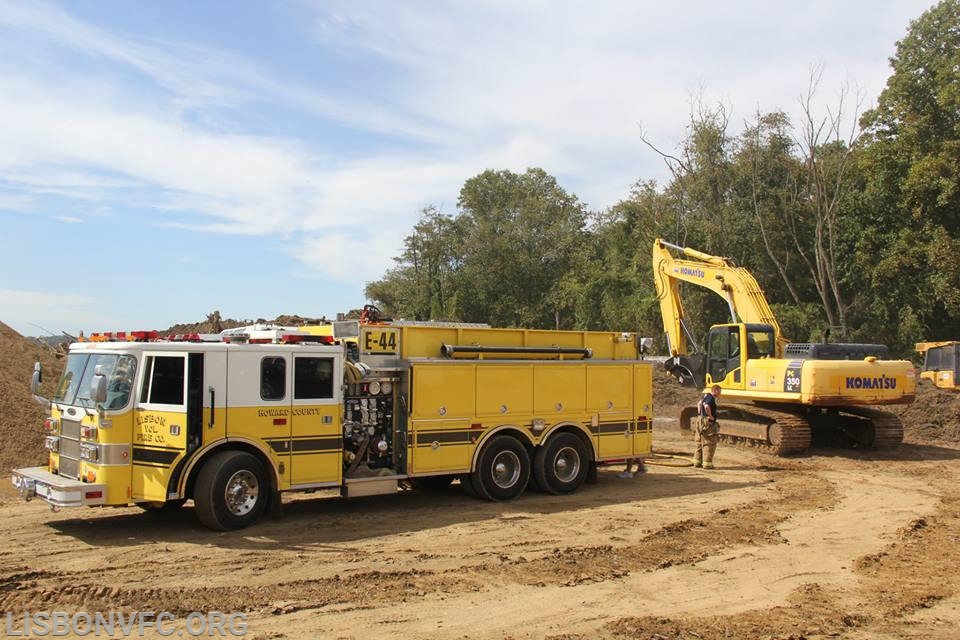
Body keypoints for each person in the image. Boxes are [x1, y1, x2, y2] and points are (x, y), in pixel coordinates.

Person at [694, 384, 722, 469]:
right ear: (715, 390)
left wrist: (700, 414)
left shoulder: (705, 397)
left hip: (700, 420)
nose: (720, 394)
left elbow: (699, 403)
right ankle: (707, 463)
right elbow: (706, 406)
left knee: (699, 442)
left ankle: (697, 461)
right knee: (709, 442)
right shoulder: (710, 398)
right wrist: (710, 416)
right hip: (707, 422)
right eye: (719, 392)